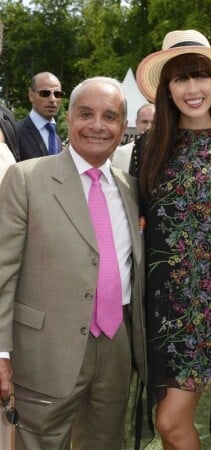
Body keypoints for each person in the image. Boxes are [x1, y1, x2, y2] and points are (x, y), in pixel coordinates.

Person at [0, 76, 147, 450]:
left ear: (122, 125)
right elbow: (3, 271)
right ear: (69, 117)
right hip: (45, 348)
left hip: (116, 347)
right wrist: (1, 352)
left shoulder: (131, 188)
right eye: (86, 114)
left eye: (109, 116)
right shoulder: (26, 178)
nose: (98, 126)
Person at [135, 29, 211, 450]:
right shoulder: (147, 148)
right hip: (160, 304)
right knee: (167, 419)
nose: (193, 88)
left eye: (201, 76)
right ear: (167, 88)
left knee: (170, 421)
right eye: (181, 78)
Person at [16, 71, 63, 160]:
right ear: (31, 95)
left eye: (57, 94)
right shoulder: (16, 133)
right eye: (45, 93)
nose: (53, 99)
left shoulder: (55, 133)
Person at [112, 103, 155, 172]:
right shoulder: (122, 153)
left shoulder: (172, 153)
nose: (149, 127)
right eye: (144, 122)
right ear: (137, 123)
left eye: (154, 122)